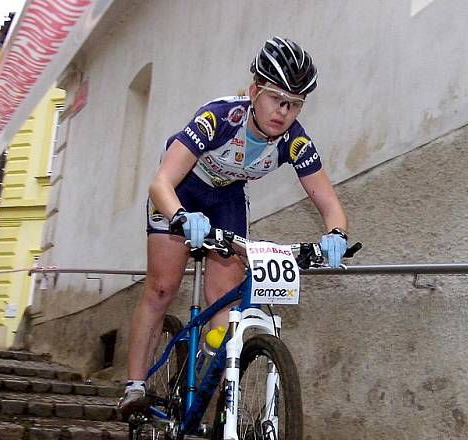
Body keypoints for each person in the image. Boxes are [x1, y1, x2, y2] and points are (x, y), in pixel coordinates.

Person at [119, 36, 349, 419]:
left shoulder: (294, 140)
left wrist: (335, 235)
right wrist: (179, 217)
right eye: (276, 98)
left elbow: (330, 204)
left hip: (225, 198)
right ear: (255, 90)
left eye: (294, 104)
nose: (284, 112)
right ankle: (135, 386)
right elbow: (160, 183)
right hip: (180, 192)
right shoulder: (220, 118)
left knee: (224, 299)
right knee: (161, 288)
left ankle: (206, 376)